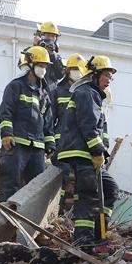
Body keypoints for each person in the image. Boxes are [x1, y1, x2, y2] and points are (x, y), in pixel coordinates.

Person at [55, 56, 119, 248]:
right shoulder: (86, 92)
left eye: (110, 77)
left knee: (110, 189)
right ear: (95, 74)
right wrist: (98, 151)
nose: (108, 80)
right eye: (106, 75)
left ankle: (100, 235)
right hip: (82, 153)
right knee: (88, 196)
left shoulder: (93, 94)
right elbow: (88, 126)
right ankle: (83, 242)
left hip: (87, 153)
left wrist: (99, 152)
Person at [0, 46, 54, 201]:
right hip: (17, 145)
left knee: (37, 189)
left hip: (37, 148)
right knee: (11, 184)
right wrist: (7, 134)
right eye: (41, 65)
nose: (44, 69)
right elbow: (5, 111)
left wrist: (50, 144)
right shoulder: (15, 86)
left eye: (45, 66)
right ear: (30, 65)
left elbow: (47, 121)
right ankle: (6, 222)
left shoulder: (43, 93)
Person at [49, 53, 87, 210]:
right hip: (62, 143)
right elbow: (49, 119)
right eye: (73, 69)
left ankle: (75, 214)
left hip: (80, 144)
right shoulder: (57, 91)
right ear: (67, 71)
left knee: (82, 181)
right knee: (63, 175)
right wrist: (50, 142)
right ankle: (58, 212)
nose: (76, 72)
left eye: (78, 69)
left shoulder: (85, 92)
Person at [33, 22, 66, 86]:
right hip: (34, 88)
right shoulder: (31, 51)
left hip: (50, 92)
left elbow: (60, 75)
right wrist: (35, 48)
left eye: (53, 36)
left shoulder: (57, 57)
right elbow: (23, 67)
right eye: (48, 35)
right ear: (41, 36)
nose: (50, 38)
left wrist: (52, 55)